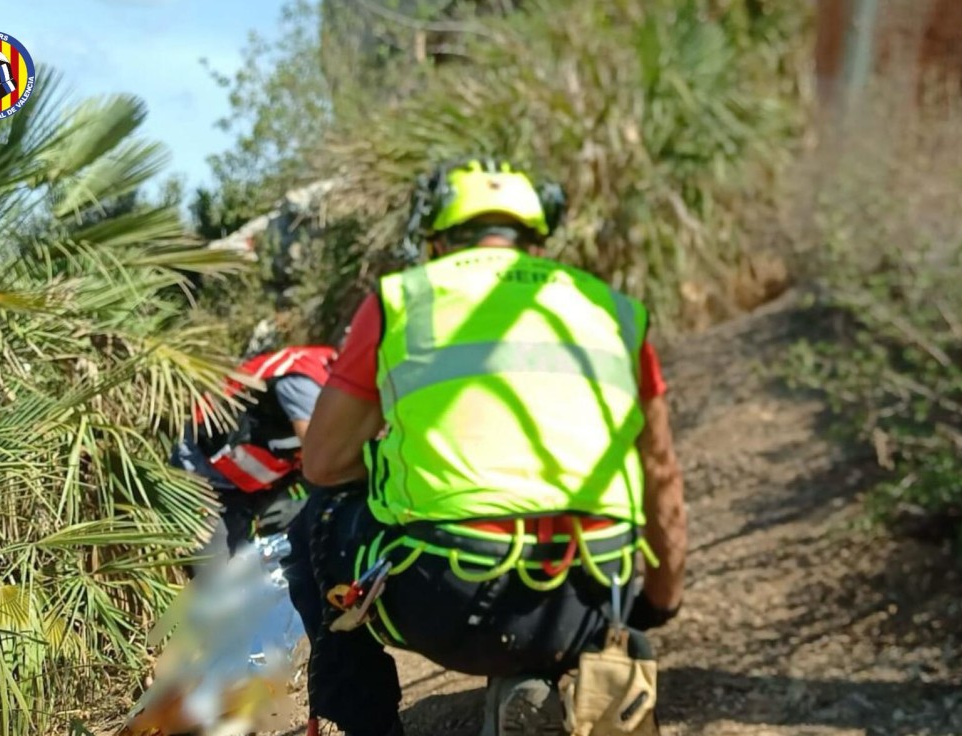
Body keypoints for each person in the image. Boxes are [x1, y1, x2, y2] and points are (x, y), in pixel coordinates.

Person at [284, 158, 687, 736]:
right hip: (592, 598)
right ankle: (542, 674)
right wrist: (659, 601)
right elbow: (661, 471)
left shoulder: (402, 300)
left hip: (448, 597)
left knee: (314, 520)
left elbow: (322, 464)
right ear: (537, 239)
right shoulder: (615, 311)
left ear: (437, 239)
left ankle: (367, 725)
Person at [171, 344, 338, 562]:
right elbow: (321, 457)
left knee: (238, 564)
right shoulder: (306, 381)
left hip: (243, 485)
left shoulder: (326, 374)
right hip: (201, 468)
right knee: (213, 567)